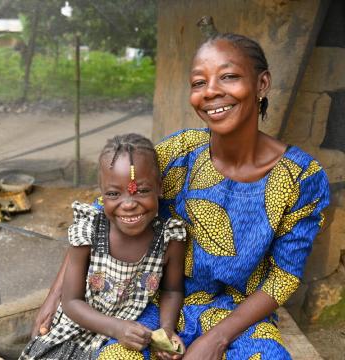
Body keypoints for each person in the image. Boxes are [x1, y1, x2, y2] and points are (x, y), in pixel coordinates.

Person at [31, 33, 330, 359]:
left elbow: (284, 276)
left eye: (229, 76)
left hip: (240, 316)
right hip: (156, 304)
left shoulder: (302, 178)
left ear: (262, 84)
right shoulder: (179, 152)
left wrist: (216, 339)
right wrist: (55, 297)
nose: (211, 91)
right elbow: (100, 213)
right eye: (199, 82)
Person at [20, 133, 187, 360]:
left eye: (142, 190)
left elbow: (172, 290)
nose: (128, 204)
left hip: (124, 335)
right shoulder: (88, 233)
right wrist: (116, 328)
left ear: (159, 188)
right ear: (102, 193)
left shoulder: (170, 239)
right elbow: (71, 302)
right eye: (113, 194)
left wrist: (166, 329)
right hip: (76, 330)